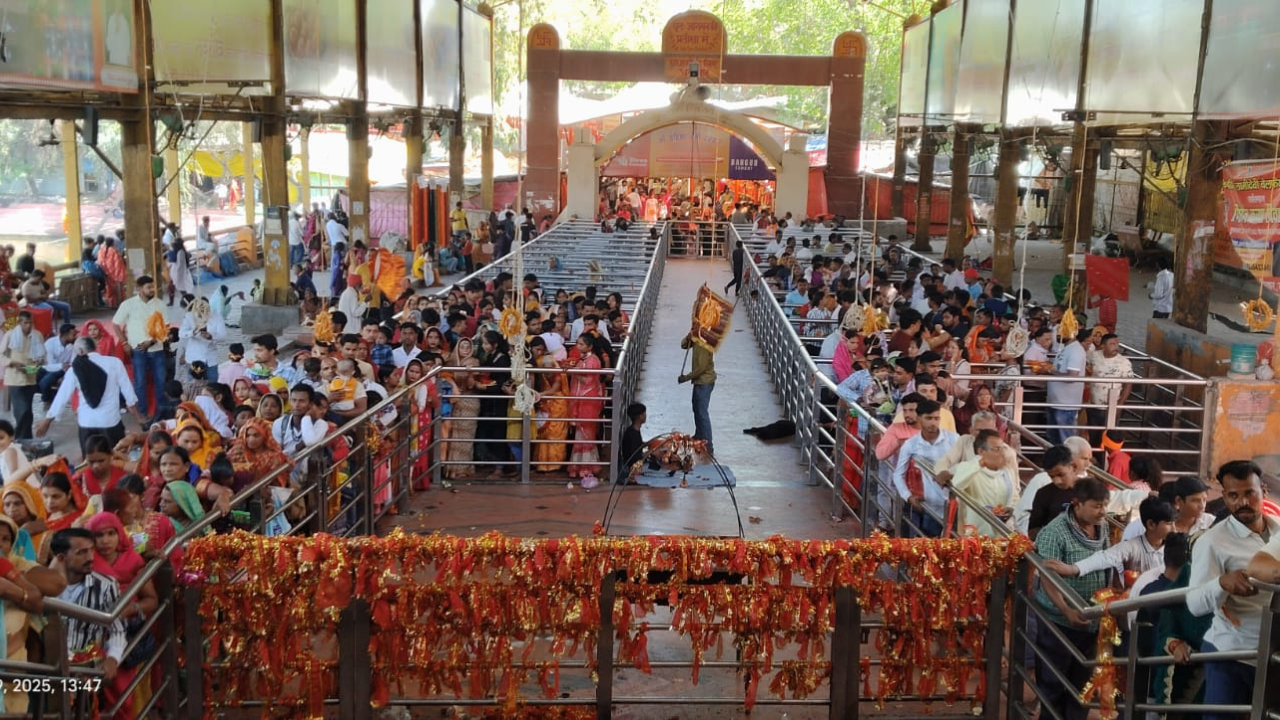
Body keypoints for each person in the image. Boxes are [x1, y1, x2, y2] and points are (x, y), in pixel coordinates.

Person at [1186, 460, 1280, 718]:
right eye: (1233, 496)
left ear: (1263, 490)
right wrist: (1221, 583)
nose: (1243, 502)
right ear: (1225, 497)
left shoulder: (1278, 530)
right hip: (1232, 653)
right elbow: (1194, 603)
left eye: (1250, 493)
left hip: (1272, 653)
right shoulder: (1212, 542)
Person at [1032, 476, 1113, 720]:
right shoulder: (1053, 532)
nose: (1102, 511)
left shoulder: (1102, 526)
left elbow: (1106, 560)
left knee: (1082, 685)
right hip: (1059, 621)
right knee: (1053, 682)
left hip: (1091, 618)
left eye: (1104, 505)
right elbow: (1048, 578)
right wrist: (1065, 609)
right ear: (1077, 504)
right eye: (1096, 506)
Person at [50, 528, 130, 709]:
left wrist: (113, 658)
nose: (90, 557)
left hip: (87, 668)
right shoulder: (44, 585)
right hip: (51, 665)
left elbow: (117, 628)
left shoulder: (106, 585)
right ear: (61, 558)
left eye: (91, 550)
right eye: (81, 552)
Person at [38, 337, 140, 453]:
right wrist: (138, 416)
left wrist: (48, 420)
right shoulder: (115, 363)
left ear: (80, 351)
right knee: (115, 457)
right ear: (95, 347)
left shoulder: (75, 368)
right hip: (110, 420)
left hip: (86, 422)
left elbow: (62, 396)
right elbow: (128, 391)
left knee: (89, 460)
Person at [891, 399, 958, 537]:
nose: (933, 423)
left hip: (955, 504)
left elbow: (968, 465)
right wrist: (908, 496)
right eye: (929, 418)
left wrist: (950, 473)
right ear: (919, 418)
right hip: (930, 506)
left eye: (936, 418)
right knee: (930, 544)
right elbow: (898, 474)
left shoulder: (954, 439)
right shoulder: (911, 444)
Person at [935, 429, 1018, 536]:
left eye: (1003, 449)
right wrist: (981, 463)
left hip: (1001, 535)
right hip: (973, 537)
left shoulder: (1008, 472)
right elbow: (957, 485)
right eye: (997, 449)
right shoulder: (967, 468)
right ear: (981, 452)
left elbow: (1015, 496)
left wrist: (1010, 508)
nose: (1002, 453)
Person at [113, 275, 167, 421]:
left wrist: (151, 342)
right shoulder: (128, 304)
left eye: (153, 287)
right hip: (137, 350)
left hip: (157, 349)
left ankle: (162, 411)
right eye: (149, 287)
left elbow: (165, 327)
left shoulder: (160, 304)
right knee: (140, 382)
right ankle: (142, 412)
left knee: (160, 381)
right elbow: (115, 324)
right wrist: (124, 343)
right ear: (139, 289)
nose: (152, 290)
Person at [3, 310, 45, 438]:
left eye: (30, 322)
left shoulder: (37, 336)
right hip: (14, 379)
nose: (29, 325)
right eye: (26, 323)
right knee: (22, 409)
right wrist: (13, 363)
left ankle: (24, 439)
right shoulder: (10, 335)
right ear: (19, 323)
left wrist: (37, 364)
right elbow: (1, 355)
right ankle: (20, 438)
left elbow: (42, 356)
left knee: (27, 412)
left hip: (30, 377)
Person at [567, 335, 605, 478]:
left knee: (587, 433)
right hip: (580, 400)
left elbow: (589, 381)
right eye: (578, 343)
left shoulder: (593, 360)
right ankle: (578, 466)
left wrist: (573, 372)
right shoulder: (582, 359)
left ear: (590, 347)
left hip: (589, 400)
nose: (578, 346)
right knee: (580, 434)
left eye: (582, 344)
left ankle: (586, 467)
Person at [1046, 329, 1088, 445]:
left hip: (1066, 405)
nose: (1058, 334)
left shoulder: (1076, 351)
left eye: (1061, 331)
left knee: (1066, 441)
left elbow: (1072, 377)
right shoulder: (1066, 347)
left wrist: (1050, 370)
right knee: (1054, 439)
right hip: (1056, 402)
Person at [678, 333, 716, 454]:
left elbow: (701, 367)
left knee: (702, 412)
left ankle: (708, 444)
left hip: (704, 381)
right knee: (697, 409)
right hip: (699, 381)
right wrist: (688, 337)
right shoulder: (697, 337)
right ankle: (700, 435)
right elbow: (684, 345)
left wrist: (686, 378)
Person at [179, 297, 226, 384]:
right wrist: (192, 332)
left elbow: (222, 337)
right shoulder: (189, 316)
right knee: (192, 386)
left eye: (204, 308)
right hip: (193, 358)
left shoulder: (217, 317)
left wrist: (211, 336)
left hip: (210, 359)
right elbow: (181, 333)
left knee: (212, 386)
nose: (202, 311)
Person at [39, 322, 77, 403]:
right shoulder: (50, 343)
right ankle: (49, 399)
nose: (75, 337)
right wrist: (62, 365)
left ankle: (49, 400)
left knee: (45, 382)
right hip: (47, 368)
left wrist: (65, 373)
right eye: (73, 335)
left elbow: (73, 362)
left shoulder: (73, 344)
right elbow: (48, 364)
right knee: (39, 380)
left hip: (63, 370)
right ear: (65, 335)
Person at [618, 402, 647, 481]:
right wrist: (650, 452)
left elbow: (637, 446)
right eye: (644, 413)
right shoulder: (632, 434)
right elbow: (635, 456)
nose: (646, 415)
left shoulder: (632, 430)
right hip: (632, 467)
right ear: (640, 416)